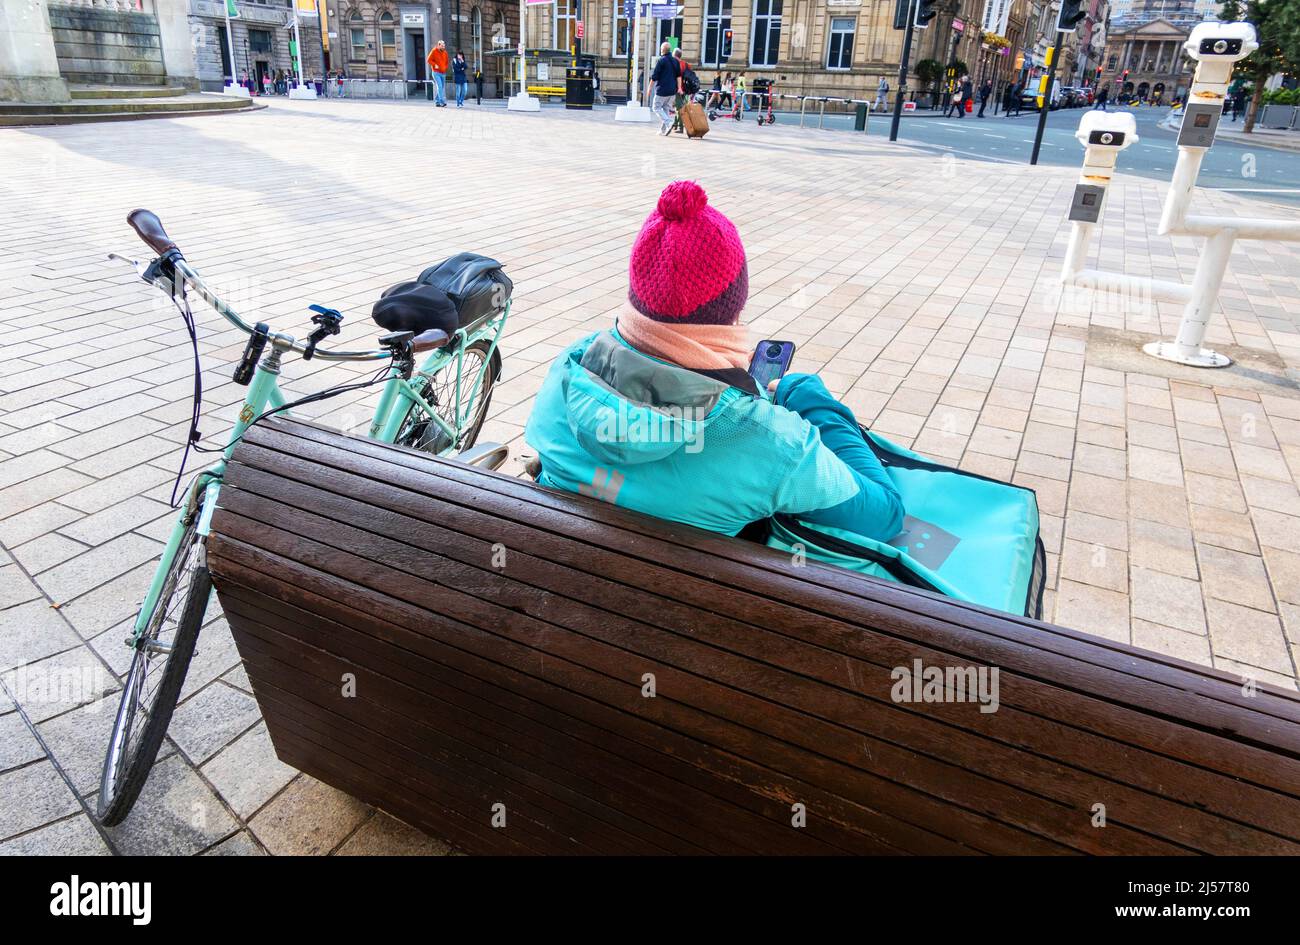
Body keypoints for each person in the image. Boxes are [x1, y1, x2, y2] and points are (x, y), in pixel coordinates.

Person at [525, 180, 904, 549]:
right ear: (734, 309)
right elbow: (885, 516)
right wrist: (812, 400)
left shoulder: (571, 365)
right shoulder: (772, 442)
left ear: (636, 292)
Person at [648, 42, 681, 136]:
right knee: (666, 108)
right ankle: (664, 130)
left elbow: (654, 76)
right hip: (672, 90)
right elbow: (679, 76)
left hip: (662, 90)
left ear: (662, 50)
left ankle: (668, 122)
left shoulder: (661, 60)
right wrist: (679, 88)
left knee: (656, 107)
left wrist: (649, 88)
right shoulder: (675, 61)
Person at [426, 40, 449, 107]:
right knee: (439, 86)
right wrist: (434, 64)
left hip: (443, 73)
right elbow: (428, 60)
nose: (443, 47)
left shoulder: (445, 53)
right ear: (438, 45)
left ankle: (437, 101)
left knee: (441, 88)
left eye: (444, 46)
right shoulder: (434, 51)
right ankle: (442, 102)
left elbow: (447, 62)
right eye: (442, 46)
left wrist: (445, 67)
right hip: (436, 72)